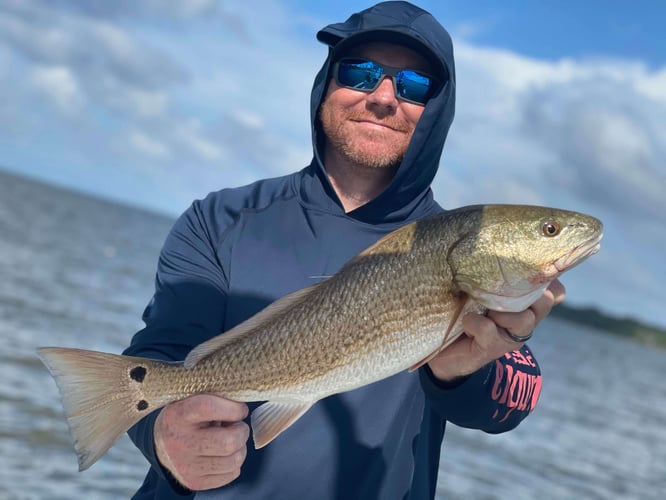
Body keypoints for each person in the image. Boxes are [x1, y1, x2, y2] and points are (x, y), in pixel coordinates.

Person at [124, 2, 564, 499]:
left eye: (414, 86)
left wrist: (464, 372)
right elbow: (155, 360)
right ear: (327, 82)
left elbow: (513, 399)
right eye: (360, 73)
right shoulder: (218, 219)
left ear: (439, 110)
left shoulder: (461, 247)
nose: (382, 97)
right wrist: (161, 435)